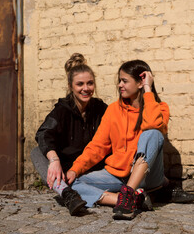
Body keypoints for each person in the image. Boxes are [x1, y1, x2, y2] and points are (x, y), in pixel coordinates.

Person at [66, 59, 171, 220]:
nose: (120, 85)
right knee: (73, 184)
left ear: (140, 83)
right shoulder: (113, 110)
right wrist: (75, 169)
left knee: (152, 134)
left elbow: (151, 124)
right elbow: (97, 146)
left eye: (124, 81)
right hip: (117, 176)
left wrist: (148, 89)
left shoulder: (159, 107)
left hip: (147, 177)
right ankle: (129, 198)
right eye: (119, 81)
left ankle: (128, 194)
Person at [31, 53, 107, 216]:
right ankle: (68, 195)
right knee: (36, 152)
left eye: (90, 83)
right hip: (66, 171)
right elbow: (44, 134)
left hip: (92, 169)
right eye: (80, 84)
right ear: (71, 86)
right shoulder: (62, 110)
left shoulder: (101, 109)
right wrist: (54, 159)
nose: (85, 89)